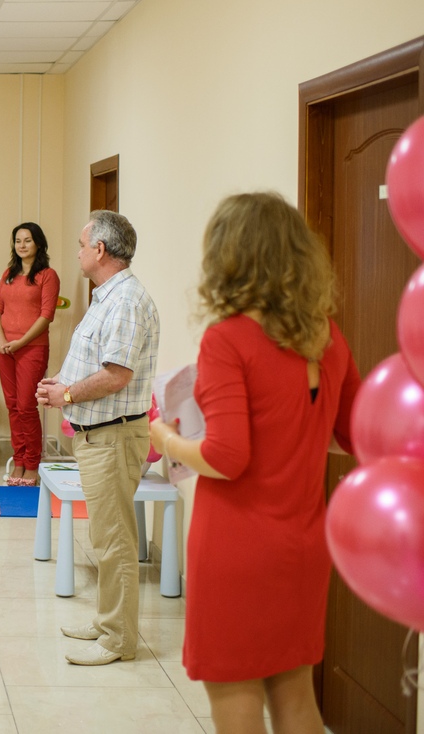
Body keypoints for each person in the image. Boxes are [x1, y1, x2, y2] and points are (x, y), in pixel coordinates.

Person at [148, 192, 360, 732]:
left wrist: (167, 440)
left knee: (236, 699)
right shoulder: (327, 337)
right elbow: (350, 436)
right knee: (296, 698)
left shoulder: (229, 339)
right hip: (304, 546)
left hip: (237, 548)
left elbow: (226, 457)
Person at [35, 210, 159, 667]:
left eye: (82, 245)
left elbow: (116, 375)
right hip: (98, 436)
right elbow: (98, 362)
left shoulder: (125, 300)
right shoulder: (107, 297)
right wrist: (62, 384)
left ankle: (118, 640)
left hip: (113, 437)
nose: (78, 252)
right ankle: (109, 622)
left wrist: (66, 393)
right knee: (105, 535)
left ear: (100, 250)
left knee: (115, 540)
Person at [0, 222, 61, 487]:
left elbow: (46, 316)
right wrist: (1, 339)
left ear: (38, 243)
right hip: (4, 349)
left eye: (27, 240)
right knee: (12, 406)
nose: (21, 245)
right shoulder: (8, 274)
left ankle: (32, 464)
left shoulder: (48, 275)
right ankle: (19, 461)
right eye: (18, 240)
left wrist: (20, 342)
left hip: (31, 348)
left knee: (26, 406)